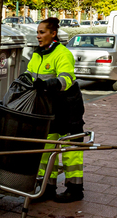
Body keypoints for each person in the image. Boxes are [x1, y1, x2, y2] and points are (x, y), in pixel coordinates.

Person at [28, 16, 86, 203]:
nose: (38, 36)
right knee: (46, 149)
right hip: (48, 109)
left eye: (42, 32)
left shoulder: (62, 54)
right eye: (37, 32)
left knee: (71, 149)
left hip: (68, 107)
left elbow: (66, 79)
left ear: (53, 34)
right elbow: (29, 76)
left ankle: (75, 189)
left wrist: (47, 84)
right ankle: (47, 187)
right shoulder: (37, 54)